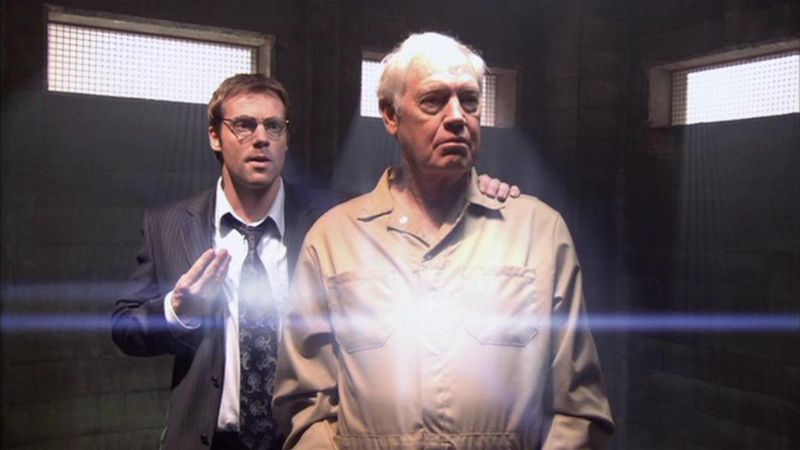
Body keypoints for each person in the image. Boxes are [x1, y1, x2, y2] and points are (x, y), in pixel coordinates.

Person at [112, 73, 518, 450]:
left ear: (286, 139)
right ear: (215, 136)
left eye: (274, 126)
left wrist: (471, 190)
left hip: (312, 438)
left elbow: (421, 219)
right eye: (245, 125)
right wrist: (178, 313)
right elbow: (124, 328)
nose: (261, 138)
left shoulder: (335, 220)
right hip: (208, 441)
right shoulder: (170, 224)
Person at [274, 33, 615, 450]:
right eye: (433, 101)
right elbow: (306, 404)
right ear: (391, 115)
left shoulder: (538, 233)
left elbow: (578, 409)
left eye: (469, 100)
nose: (457, 117)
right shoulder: (334, 240)